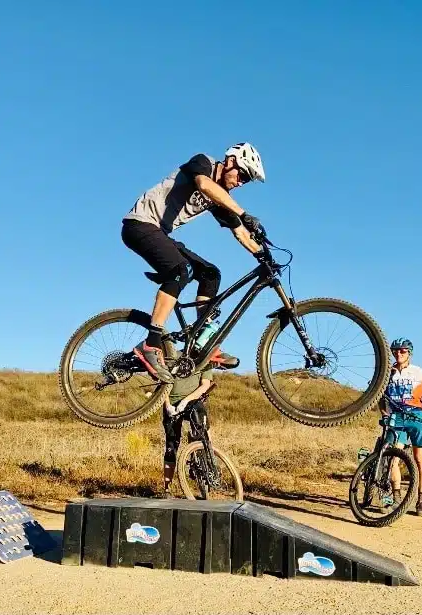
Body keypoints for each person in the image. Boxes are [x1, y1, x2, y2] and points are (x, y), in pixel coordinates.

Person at [121, 143, 267, 383]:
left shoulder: (219, 197)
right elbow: (204, 184)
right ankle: (151, 344)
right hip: (139, 225)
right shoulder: (203, 163)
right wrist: (243, 213)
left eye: (246, 181)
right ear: (230, 161)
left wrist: (263, 254)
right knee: (180, 270)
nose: (241, 183)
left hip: (159, 233)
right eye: (242, 175)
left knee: (210, 274)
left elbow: (240, 232)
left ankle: (202, 343)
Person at [381, 337, 422, 517]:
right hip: (396, 417)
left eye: (402, 350)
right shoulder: (387, 373)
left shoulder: (417, 371)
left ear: (409, 353)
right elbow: (380, 395)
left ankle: (421, 500)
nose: (399, 353)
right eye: (395, 350)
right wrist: (384, 413)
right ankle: (396, 497)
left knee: (420, 460)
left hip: (417, 416)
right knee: (392, 458)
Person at [160, 362, 214, 498]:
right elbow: (162, 382)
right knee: (171, 445)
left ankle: (208, 472)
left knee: (203, 435)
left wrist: (186, 400)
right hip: (172, 402)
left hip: (193, 401)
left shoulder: (204, 359)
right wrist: (167, 405)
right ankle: (167, 488)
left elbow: (205, 384)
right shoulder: (172, 357)